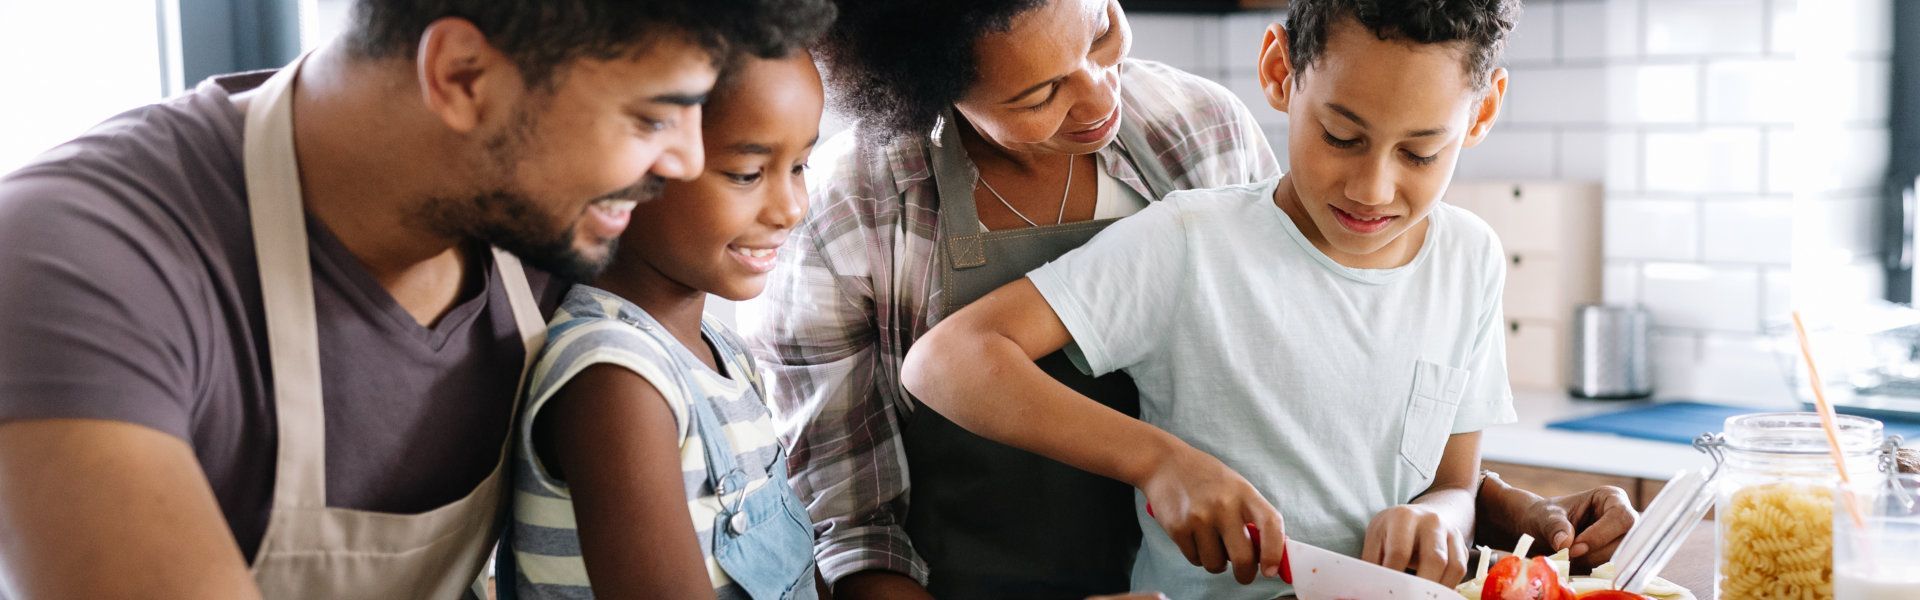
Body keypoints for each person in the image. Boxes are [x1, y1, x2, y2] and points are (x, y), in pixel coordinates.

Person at [746, 1, 1635, 598]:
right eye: (1040, 92)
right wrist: (1157, 461)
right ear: (933, 84)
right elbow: (851, 516)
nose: (1102, 97)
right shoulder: (856, 207)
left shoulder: (1197, 132)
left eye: (1101, 36)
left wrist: (1485, 503)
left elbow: (1316, 389)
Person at [0, 0, 829, 597]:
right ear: (462, 76)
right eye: (653, 117)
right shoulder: (75, 259)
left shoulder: (547, 230)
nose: (685, 163)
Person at [506, 50, 831, 599]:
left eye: (798, 167)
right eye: (747, 174)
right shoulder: (616, 378)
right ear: (624, 168)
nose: (792, 206)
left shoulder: (721, 350)